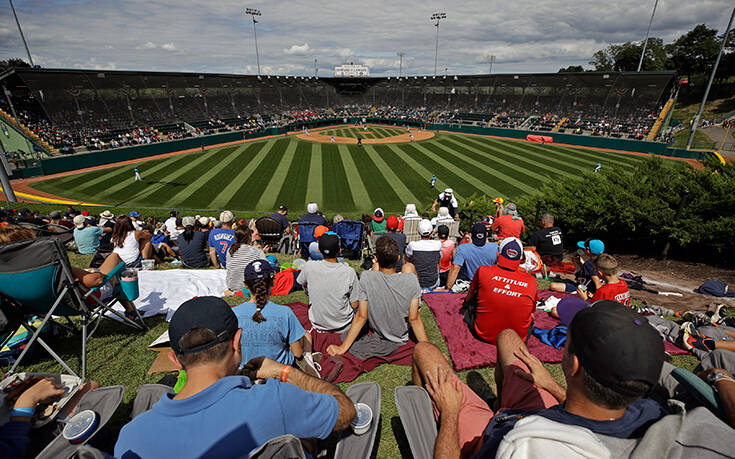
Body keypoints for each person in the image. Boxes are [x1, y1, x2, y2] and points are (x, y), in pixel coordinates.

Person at [414, 300, 675, 458]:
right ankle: (499, 402)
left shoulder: (522, 448)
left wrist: (449, 412)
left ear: (573, 366)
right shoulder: (651, 414)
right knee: (508, 337)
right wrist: (550, 385)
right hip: (547, 412)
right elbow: (593, 411)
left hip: (495, 432)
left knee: (424, 351)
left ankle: (438, 413)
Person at [114, 296, 355, 458]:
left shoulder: (129, 438)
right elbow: (344, 411)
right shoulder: (274, 401)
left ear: (175, 359)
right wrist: (285, 372)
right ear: (237, 342)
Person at [326, 237, 429, 359]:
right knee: (409, 267)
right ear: (398, 258)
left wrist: (343, 347)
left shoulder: (366, 277)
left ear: (376, 259)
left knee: (376, 272)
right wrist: (430, 350)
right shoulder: (411, 280)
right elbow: (414, 319)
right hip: (400, 334)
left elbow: (361, 316)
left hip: (379, 328)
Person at [231, 260, 306, 367]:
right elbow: (298, 353)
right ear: (273, 282)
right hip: (278, 375)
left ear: (245, 285)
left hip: (245, 375)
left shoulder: (234, 313)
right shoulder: (285, 312)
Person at [463, 237, 536, 344]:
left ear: (498, 254)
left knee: (474, 298)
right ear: (520, 259)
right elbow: (532, 312)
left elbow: (470, 296)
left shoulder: (483, 271)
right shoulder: (531, 281)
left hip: (483, 334)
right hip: (517, 340)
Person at [297, 234, 360, 333]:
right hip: (344, 325)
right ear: (339, 250)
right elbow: (355, 304)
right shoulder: (349, 272)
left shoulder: (309, 267)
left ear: (319, 250)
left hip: (318, 324)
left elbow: (302, 283)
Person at [446, 222, 499, 292]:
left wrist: (447, 289)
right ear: (486, 234)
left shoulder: (462, 248)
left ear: (471, 235)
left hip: (469, 283)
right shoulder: (496, 248)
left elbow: (455, 269)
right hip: (488, 283)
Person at [225, 228, 266, 295]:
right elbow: (266, 267)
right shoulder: (257, 251)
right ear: (249, 238)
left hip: (232, 285)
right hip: (250, 286)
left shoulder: (230, 250)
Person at [404, 219, 442, 291]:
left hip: (418, 283)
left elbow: (407, 260)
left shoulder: (412, 245)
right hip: (432, 282)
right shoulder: (438, 244)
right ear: (431, 233)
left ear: (418, 232)